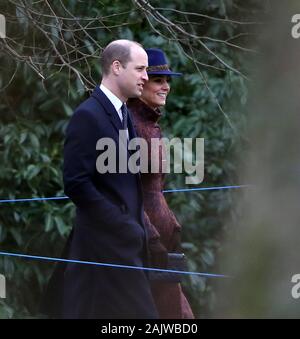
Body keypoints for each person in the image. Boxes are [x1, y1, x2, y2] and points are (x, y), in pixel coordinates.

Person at [41, 40, 158, 319]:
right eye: (140, 69)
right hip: (102, 247)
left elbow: (125, 183)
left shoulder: (123, 115)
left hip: (123, 249)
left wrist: (138, 229)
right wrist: (122, 225)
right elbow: (76, 183)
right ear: (116, 67)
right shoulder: (87, 116)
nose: (146, 77)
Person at [127, 48, 194, 319]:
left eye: (168, 80)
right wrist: (151, 237)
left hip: (162, 242)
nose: (165, 86)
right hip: (144, 243)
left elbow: (156, 188)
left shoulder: (150, 122)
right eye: (158, 80)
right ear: (141, 81)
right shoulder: (131, 124)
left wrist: (172, 226)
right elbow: (128, 192)